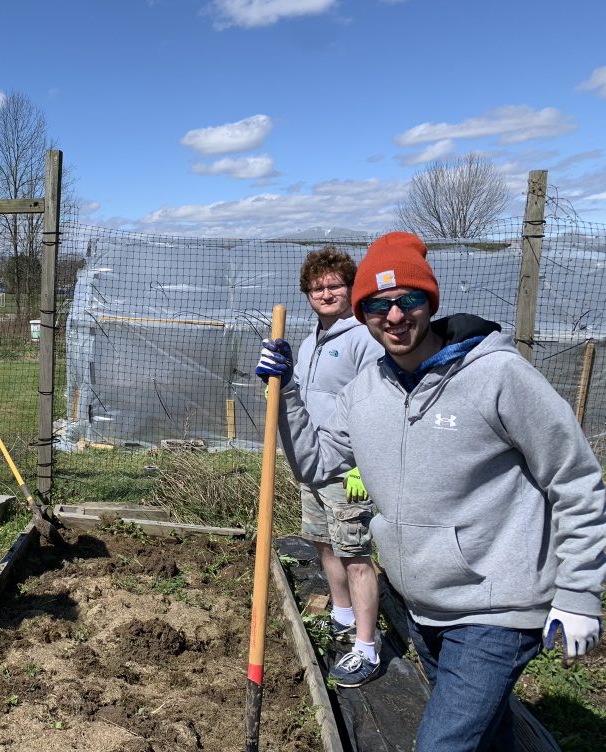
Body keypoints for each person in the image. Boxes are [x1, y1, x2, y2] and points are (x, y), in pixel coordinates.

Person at [256, 231, 606, 751]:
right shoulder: (366, 391)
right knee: (487, 735)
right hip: (422, 604)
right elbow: (318, 462)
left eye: (408, 300)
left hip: (496, 609)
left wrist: (579, 593)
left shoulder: (498, 376)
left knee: (443, 745)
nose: (394, 316)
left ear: (430, 300)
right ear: (363, 311)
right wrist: (286, 397)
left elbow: (574, 478)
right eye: (378, 304)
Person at [258, 247, 385, 687]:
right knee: (324, 545)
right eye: (317, 287)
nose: (326, 292)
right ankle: (343, 614)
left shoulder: (365, 339)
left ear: (352, 289)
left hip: (348, 470)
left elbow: (383, 408)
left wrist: (364, 469)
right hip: (312, 465)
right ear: (307, 295)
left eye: (335, 285)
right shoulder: (312, 341)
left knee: (356, 558)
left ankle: (367, 647)